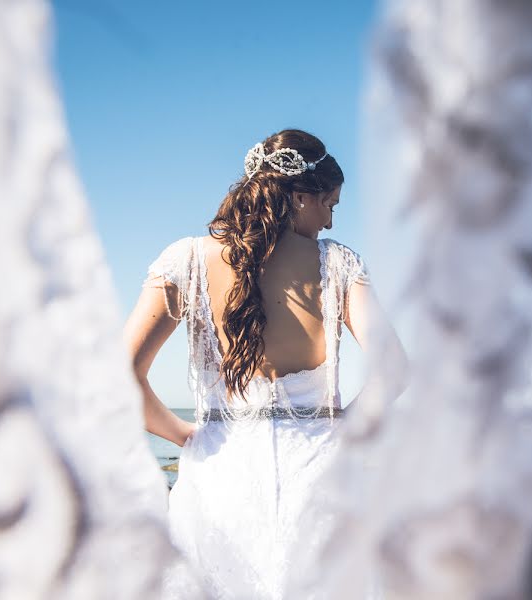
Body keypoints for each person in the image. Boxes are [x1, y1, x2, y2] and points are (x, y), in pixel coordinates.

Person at [122, 129, 408, 598]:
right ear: (300, 197)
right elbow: (394, 368)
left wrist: (186, 436)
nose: (331, 223)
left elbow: (118, 377)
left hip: (220, 479)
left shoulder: (187, 260)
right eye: (330, 205)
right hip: (321, 480)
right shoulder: (336, 265)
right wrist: (344, 428)